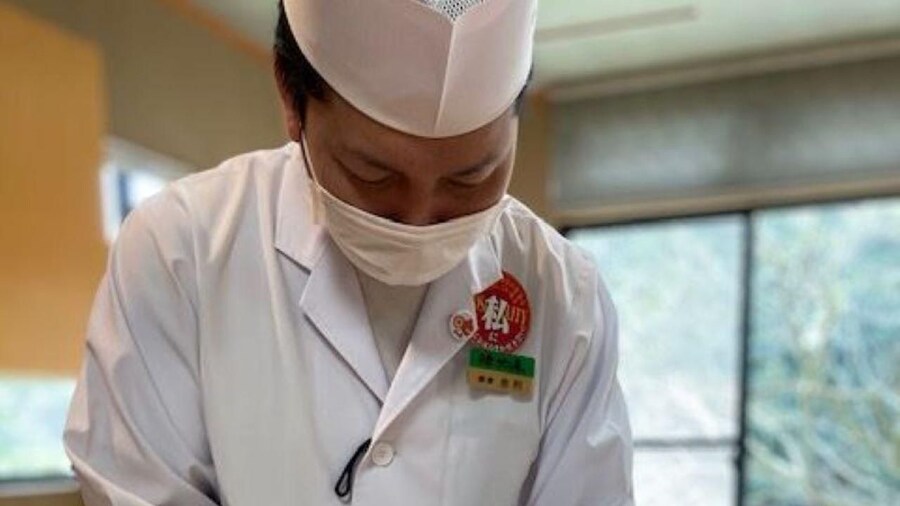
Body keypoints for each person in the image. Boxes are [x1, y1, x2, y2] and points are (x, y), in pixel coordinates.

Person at [63, 0, 633, 504]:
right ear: (292, 99)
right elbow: (136, 490)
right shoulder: (181, 248)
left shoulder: (564, 292)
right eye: (372, 174)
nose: (419, 218)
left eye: (470, 178)